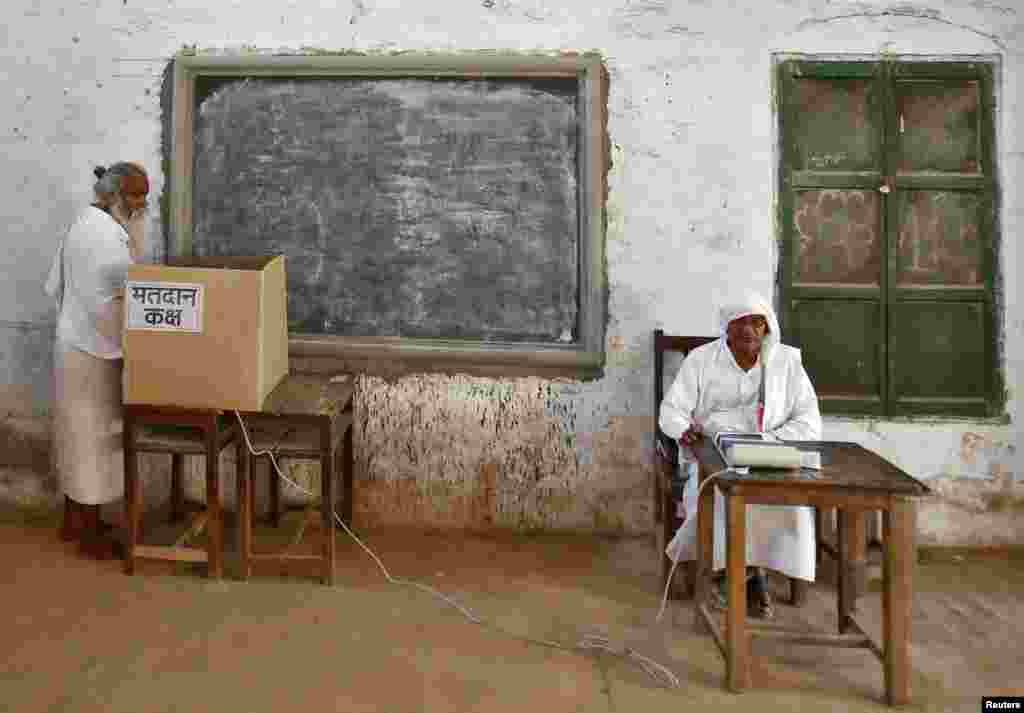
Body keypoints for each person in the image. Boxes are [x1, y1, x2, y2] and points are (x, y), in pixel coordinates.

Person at [659, 290, 822, 618]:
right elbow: (671, 411)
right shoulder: (702, 360)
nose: (749, 330)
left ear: (767, 329)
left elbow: (809, 422)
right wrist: (684, 430)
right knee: (718, 497)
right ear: (727, 329)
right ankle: (731, 575)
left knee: (781, 501)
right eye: (740, 323)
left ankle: (751, 571)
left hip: (771, 457)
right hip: (713, 457)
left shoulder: (786, 364)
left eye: (756, 322)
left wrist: (767, 440)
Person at [46, 162, 149, 559]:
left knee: (80, 439)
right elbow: (111, 292)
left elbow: (55, 285)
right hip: (89, 349)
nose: (140, 204)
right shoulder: (99, 233)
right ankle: (87, 533)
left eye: (144, 197)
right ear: (112, 196)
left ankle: (77, 522)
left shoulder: (89, 223)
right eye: (134, 196)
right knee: (88, 441)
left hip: (82, 344)